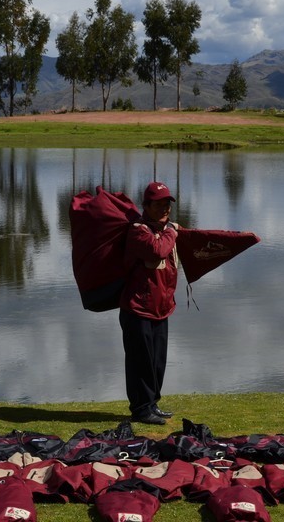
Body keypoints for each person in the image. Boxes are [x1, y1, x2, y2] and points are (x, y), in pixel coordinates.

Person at [119, 181, 179, 425]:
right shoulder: (138, 231)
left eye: (167, 203)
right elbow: (157, 251)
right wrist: (173, 231)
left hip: (161, 308)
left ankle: (152, 403)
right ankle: (141, 409)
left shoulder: (164, 230)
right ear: (146, 205)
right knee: (139, 362)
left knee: (156, 361)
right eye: (159, 204)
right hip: (138, 308)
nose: (165, 208)